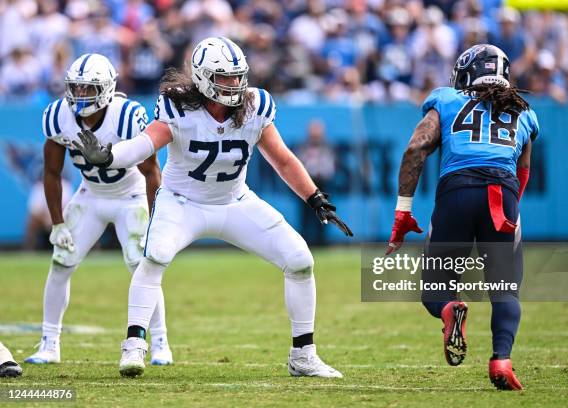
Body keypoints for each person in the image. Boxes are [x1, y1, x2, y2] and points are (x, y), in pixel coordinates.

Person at [73, 37, 353, 378]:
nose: (235, 85)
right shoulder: (179, 107)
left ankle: (303, 355)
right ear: (204, 78)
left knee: (300, 259)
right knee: (155, 256)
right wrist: (111, 156)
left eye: (238, 76)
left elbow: (281, 159)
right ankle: (134, 344)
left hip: (235, 201)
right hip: (181, 203)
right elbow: (145, 144)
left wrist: (313, 196)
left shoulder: (255, 106)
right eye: (226, 78)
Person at [386, 44, 538, 391]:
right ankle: (501, 360)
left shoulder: (446, 99)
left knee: (434, 290)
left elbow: (415, 149)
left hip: (456, 192)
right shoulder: (525, 112)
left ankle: (449, 307)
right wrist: (509, 208)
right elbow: (523, 170)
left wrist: (403, 211)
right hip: (503, 194)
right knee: (506, 289)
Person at [25, 53, 173, 366]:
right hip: (90, 194)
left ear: (106, 89)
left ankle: (160, 342)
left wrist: (155, 219)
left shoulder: (127, 115)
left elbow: (151, 172)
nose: (80, 95)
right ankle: (49, 343)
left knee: (141, 266)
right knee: (61, 263)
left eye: (87, 88)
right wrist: (57, 223)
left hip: (130, 195)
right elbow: (50, 172)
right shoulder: (57, 116)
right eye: (75, 88)